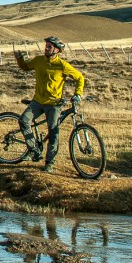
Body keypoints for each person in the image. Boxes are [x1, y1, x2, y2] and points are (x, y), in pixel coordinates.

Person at [13, 36, 85, 173]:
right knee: (23, 121)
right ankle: (33, 149)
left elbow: (79, 78)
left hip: (53, 104)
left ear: (57, 50)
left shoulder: (62, 65)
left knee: (54, 133)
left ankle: (49, 163)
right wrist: (19, 59)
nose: (46, 48)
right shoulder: (39, 60)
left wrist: (78, 94)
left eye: (49, 47)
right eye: (46, 46)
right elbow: (25, 67)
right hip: (37, 101)